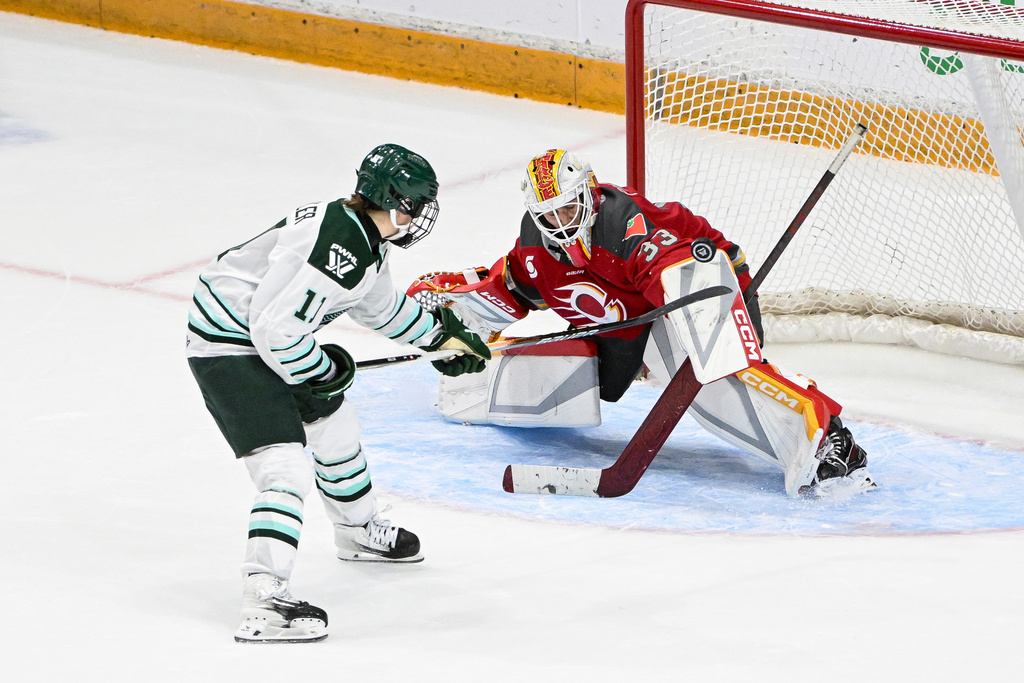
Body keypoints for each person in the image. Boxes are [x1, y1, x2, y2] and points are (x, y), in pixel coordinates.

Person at [410, 148, 876, 499]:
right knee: (560, 368)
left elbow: (678, 266)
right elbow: (510, 287)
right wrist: (449, 319)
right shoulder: (536, 248)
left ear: (589, 195)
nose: (560, 222)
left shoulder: (625, 227)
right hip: (628, 322)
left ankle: (824, 437)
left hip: (706, 286)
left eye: (568, 209)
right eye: (548, 215)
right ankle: (475, 390)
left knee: (711, 381)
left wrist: (690, 311)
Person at [185, 143, 490, 644]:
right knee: (285, 468)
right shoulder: (339, 247)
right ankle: (262, 600)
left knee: (336, 429)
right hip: (228, 346)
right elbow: (276, 331)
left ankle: (357, 531)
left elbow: (380, 308)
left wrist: (439, 338)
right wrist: (322, 369)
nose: (417, 218)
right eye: (416, 206)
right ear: (396, 202)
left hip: (260, 337)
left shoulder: (365, 238)